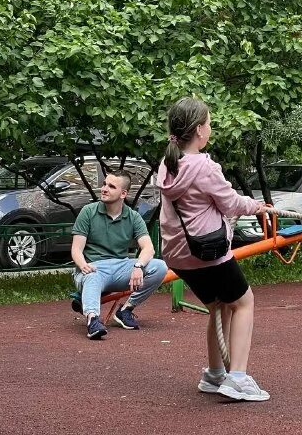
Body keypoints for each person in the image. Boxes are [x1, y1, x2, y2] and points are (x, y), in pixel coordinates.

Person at [157, 97, 270, 402]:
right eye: (208, 123)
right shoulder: (204, 166)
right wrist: (257, 206)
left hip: (178, 255)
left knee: (219, 307)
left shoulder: (168, 165)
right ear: (198, 130)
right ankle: (238, 378)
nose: (210, 127)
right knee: (244, 302)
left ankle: (215, 374)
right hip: (207, 252)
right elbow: (231, 202)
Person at [71, 169, 168, 340]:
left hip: (120, 266)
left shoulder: (133, 217)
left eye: (111, 186)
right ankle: (93, 320)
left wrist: (138, 266)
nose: (104, 189)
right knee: (92, 275)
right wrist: (83, 264)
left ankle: (126, 310)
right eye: (104, 184)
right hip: (93, 267)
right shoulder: (88, 211)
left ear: (123, 193)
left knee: (159, 267)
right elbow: (76, 249)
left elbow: (148, 248)